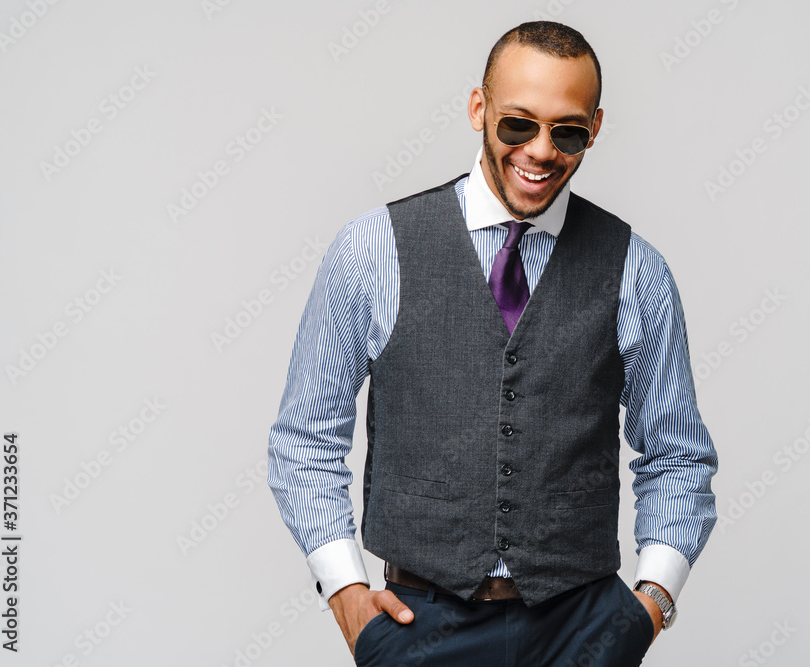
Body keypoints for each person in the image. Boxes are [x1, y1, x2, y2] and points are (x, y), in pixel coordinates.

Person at [268, 20, 718, 666]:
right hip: (419, 625)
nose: (540, 150)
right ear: (479, 108)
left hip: (583, 629)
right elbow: (304, 437)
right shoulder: (372, 250)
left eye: (566, 130)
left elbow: (677, 453)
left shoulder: (636, 270)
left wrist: (649, 604)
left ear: (593, 129)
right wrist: (346, 592)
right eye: (518, 124)